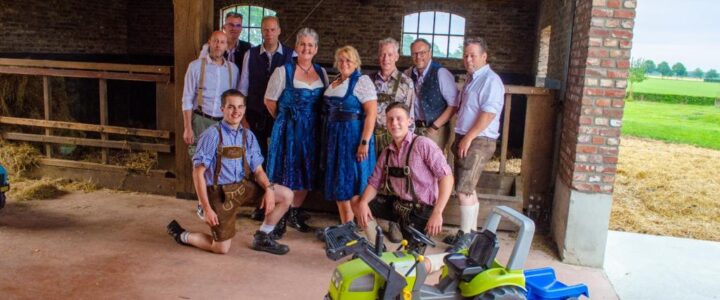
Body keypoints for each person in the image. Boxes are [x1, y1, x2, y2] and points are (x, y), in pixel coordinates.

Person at [167, 89, 293, 255]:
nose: (236, 111)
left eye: (240, 107)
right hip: (219, 194)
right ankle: (182, 235)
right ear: (222, 109)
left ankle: (263, 236)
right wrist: (206, 208)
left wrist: (269, 188)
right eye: (231, 107)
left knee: (286, 195)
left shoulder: (248, 136)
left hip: (242, 187)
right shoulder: (211, 135)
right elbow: (197, 174)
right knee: (221, 248)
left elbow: (258, 170)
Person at [353, 102, 453, 255]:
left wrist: (438, 212)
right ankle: (378, 252)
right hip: (398, 205)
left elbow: (447, 178)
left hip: (421, 211)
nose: (394, 123)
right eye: (390, 120)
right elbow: (374, 182)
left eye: (399, 119)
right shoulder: (387, 152)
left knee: (411, 261)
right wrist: (364, 202)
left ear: (409, 121)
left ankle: (435, 262)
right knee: (357, 202)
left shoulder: (423, 145)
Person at [264, 28, 328, 235]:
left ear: (316, 49)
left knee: (306, 173)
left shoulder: (322, 72)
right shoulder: (283, 71)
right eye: (302, 44)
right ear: (296, 47)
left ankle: (294, 213)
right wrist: (285, 122)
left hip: (312, 133)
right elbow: (269, 101)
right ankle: (278, 220)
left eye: (310, 45)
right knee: (285, 173)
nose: (306, 48)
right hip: (288, 132)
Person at [447, 37, 505, 252]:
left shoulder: (491, 80)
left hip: (479, 139)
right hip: (467, 136)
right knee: (469, 188)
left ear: (484, 56)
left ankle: (465, 237)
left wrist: (469, 137)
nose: (468, 59)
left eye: (473, 55)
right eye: (466, 55)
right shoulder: (473, 78)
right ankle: (469, 232)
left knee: (464, 189)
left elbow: (489, 113)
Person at [238, 16, 295, 222]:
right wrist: (243, 118)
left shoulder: (290, 54)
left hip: (279, 117)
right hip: (254, 116)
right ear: (261, 32)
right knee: (257, 161)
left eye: (272, 29)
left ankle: (281, 204)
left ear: (279, 30)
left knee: (279, 160)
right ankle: (260, 204)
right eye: (265, 30)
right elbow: (243, 87)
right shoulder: (250, 54)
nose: (268, 33)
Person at [322, 45, 378, 224]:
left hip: (352, 138)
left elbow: (371, 113)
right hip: (334, 139)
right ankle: (347, 232)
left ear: (356, 63)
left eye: (349, 60)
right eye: (341, 60)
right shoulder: (335, 82)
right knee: (341, 189)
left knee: (353, 190)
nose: (344, 63)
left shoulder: (362, 81)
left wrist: (364, 142)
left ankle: (371, 237)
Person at [369, 37, 416, 243]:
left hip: (394, 137)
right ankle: (372, 220)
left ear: (397, 56)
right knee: (372, 178)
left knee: (395, 180)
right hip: (371, 137)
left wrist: (405, 143)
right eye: (382, 54)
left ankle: (395, 223)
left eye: (390, 54)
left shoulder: (406, 83)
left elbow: (410, 115)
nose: (385, 58)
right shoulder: (367, 80)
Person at [181, 31, 239, 156]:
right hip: (200, 120)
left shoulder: (233, 70)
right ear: (209, 43)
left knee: (220, 165)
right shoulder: (195, 67)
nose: (218, 45)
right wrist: (187, 128)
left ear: (226, 46)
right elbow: (187, 99)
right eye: (215, 41)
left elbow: (234, 102)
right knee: (199, 164)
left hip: (223, 123)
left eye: (222, 42)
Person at [404, 38, 458, 151]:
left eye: (422, 53)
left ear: (430, 53)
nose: (418, 57)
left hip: (435, 130)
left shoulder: (441, 73)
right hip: (414, 128)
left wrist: (434, 127)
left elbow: (453, 105)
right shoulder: (409, 73)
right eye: (415, 53)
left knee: (432, 164)